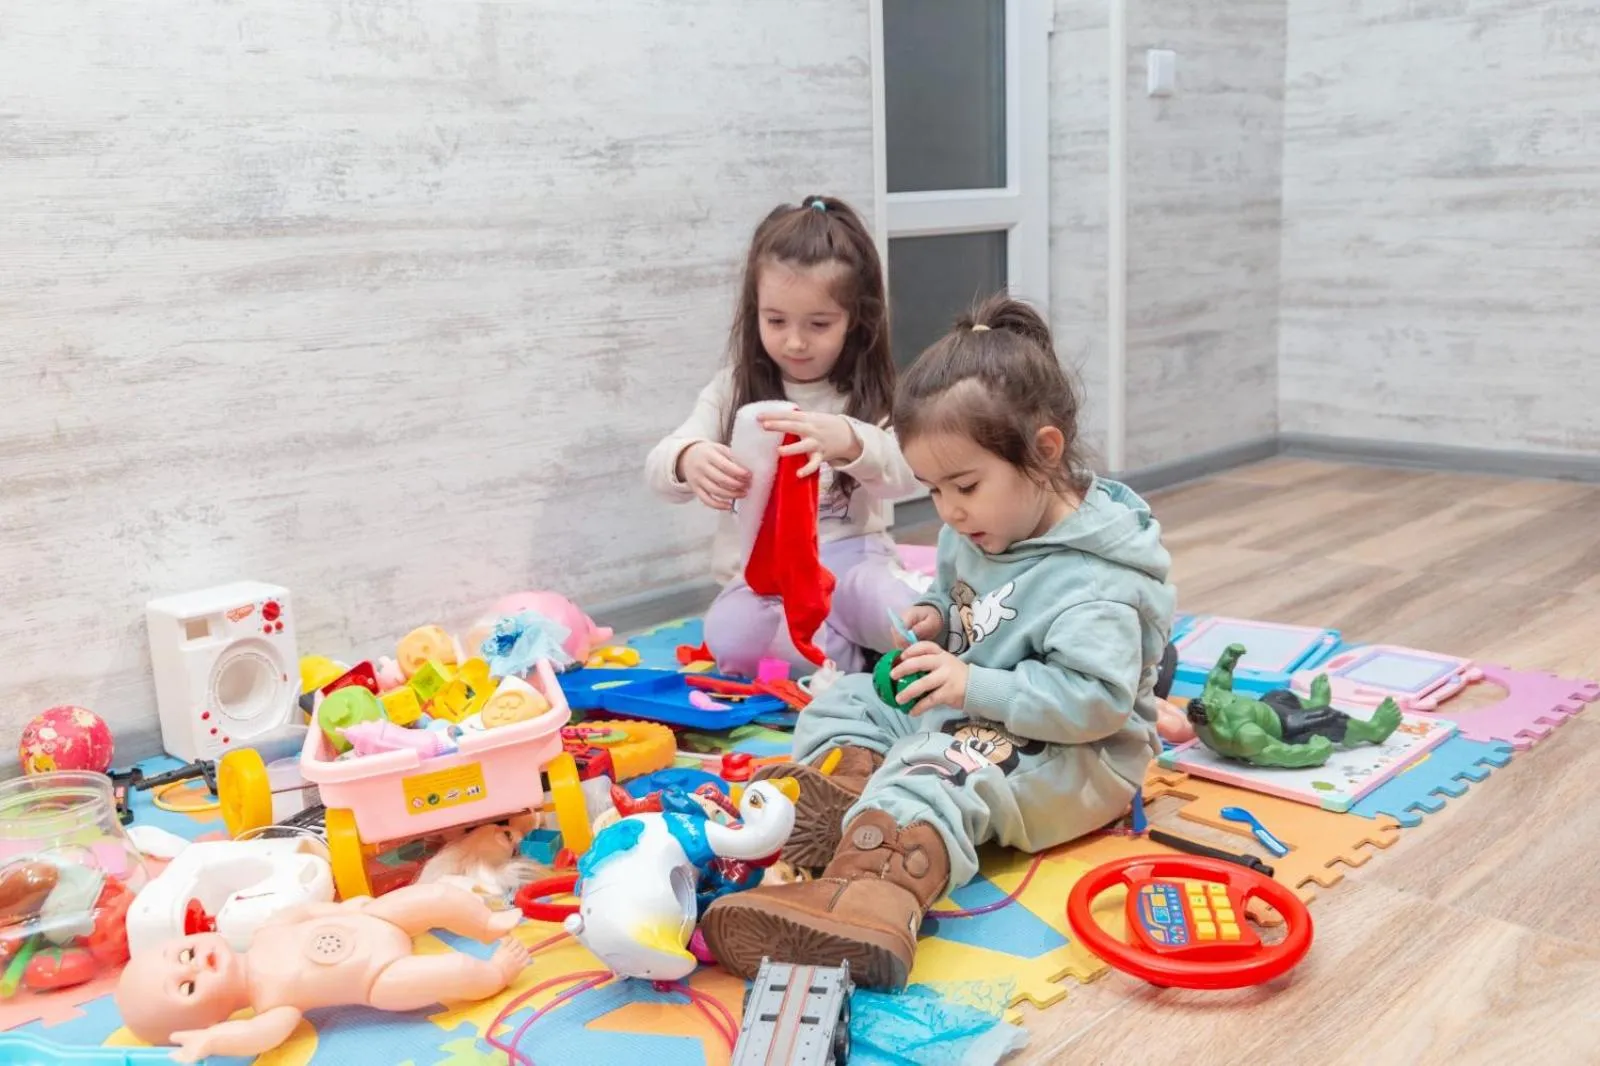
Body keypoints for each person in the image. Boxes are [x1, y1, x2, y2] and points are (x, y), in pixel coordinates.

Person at [699, 293, 1176, 989]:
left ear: (1045, 453)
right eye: (932, 490)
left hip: (1076, 757)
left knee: (935, 764)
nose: (949, 511)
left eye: (965, 486)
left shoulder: (1095, 585)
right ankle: (853, 795)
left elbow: (1095, 705)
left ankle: (870, 901)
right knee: (850, 699)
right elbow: (961, 604)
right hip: (985, 712)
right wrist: (935, 619)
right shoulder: (984, 524)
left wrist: (969, 684)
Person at [644, 196, 922, 677]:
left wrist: (851, 442)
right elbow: (659, 467)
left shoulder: (867, 394)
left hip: (852, 561)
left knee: (906, 616)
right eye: (776, 321)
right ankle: (841, 655)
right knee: (732, 641)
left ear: (856, 319)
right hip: (763, 579)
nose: (794, 341)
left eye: (819, 324)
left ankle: (844, 643)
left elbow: (909, 474)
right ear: (755, 311)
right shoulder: (732, 390)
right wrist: (689, 459)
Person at [114, 884, 528, 1062]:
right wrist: (214, 1041)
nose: (194, 964)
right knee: (454, 969)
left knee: (435, 896)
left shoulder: (265, 932)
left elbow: (306, 912)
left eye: (185, 953)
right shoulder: (273, 1005)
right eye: (188, 986)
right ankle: (494, 974)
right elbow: (258, 1036)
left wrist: (343, 910)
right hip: (379, 976)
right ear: (211, 1019)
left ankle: (485, 923)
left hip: (376, 921)